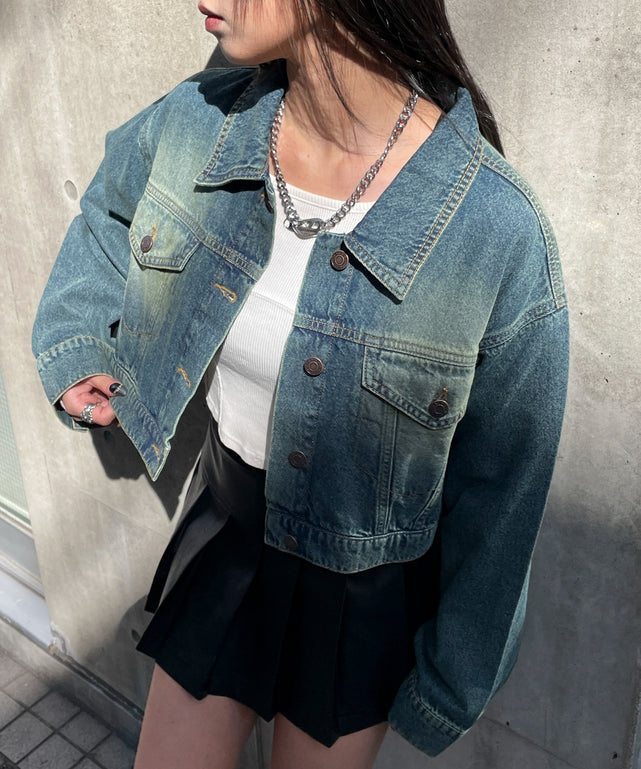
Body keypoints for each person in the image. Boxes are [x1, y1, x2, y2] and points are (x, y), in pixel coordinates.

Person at [32, 1, 569, 767]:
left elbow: (502, 487)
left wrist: (452, 673)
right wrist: (81, 340)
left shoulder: (493, 229)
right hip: (229, 529)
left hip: (363, 590)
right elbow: (109, 210)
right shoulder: (200, 123)